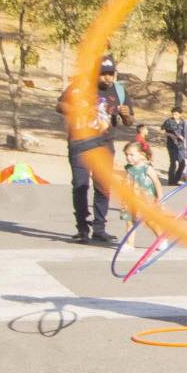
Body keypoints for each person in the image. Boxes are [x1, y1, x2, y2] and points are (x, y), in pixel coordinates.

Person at [58, 56, 131, 243]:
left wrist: (126, 115)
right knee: (80, 186)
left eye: (111, 74)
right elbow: (60, 105)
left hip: (104, 145)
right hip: (80, 144)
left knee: (103, 187)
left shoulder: (119, 91)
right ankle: (82, 228)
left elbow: (130, 121)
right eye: (104, 74)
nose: (108, 78)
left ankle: (99, 228)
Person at [119, 140, 161, 223]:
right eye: (126, 155)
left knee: (150, 222)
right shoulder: (128, 168)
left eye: (131, 155)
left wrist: (159, 198)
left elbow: (157, 183)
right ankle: (130, 236)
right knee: (129, 222)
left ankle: (161, 236)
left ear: (142, 155)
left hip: (145, 198)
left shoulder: (147, 168)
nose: (128, 157)